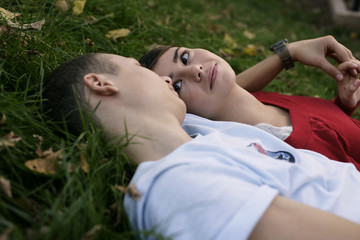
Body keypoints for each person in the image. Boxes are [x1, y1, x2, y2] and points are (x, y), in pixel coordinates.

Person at [42, 52, 360, 240]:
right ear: (102, 84)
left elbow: (221, 86)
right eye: (138, 67)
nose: (168, 82)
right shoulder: (178, 185)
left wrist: (286, 53)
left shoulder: (199, 133)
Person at [139, 35, 360, 170]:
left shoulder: (262, 100)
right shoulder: (285, 152)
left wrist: (342, 104)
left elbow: (327, 129)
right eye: (177, 87)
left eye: (185, 57)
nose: (194, 70)